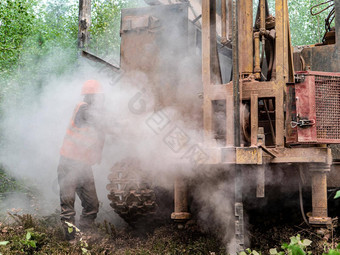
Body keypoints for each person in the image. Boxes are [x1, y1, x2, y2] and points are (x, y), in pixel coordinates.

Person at [58, 80, 106, 240]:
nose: (100, 100)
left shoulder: (94, 112)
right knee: (68, 207)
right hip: (68, 164)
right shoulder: (83, 108)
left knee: (92, 205)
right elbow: (97, 124)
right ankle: (71, 241)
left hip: (83, 166)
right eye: (97, 97)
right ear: (89, 96)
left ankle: (84, 236)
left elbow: (99, 132)